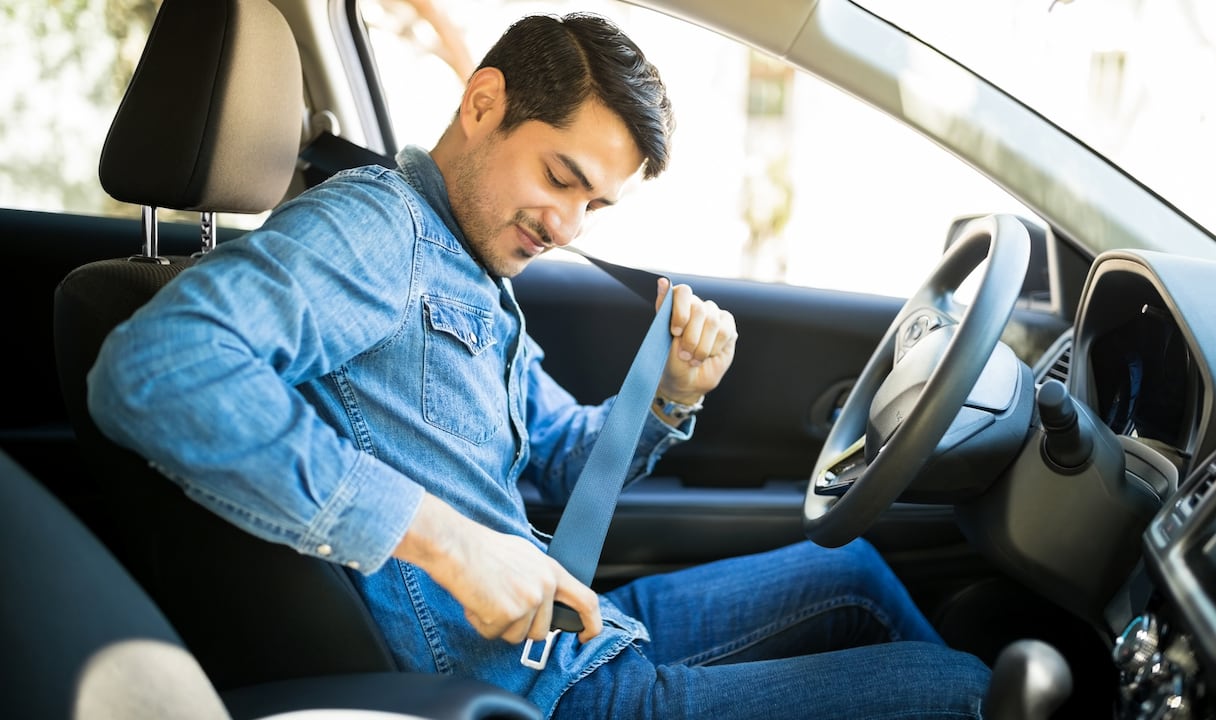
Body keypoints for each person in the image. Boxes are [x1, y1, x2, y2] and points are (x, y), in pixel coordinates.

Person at [88, 12, 990, 719]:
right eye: (560, 179)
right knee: (970, 697)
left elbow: (561, 454)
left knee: (859, 572)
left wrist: (669, 396)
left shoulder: (467, 260)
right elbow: (155, 369)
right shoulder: (375, 230)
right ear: (483, 104)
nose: (569, 227)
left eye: (595, 203)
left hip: (566, 638)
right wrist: (445, 539)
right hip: (529, 694)